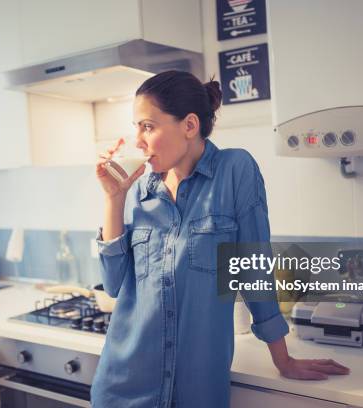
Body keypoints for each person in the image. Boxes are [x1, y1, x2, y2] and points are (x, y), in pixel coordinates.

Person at [92, 70, 349, 408]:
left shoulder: (235, 170)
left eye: (148, 126)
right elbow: (113, 285)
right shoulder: (138, 189)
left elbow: (253, 271)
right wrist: (114, 198)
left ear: (189, 125)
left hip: (196, 393)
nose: (138, 140)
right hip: (124, 389)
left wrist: (282, 359)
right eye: (136, 127)